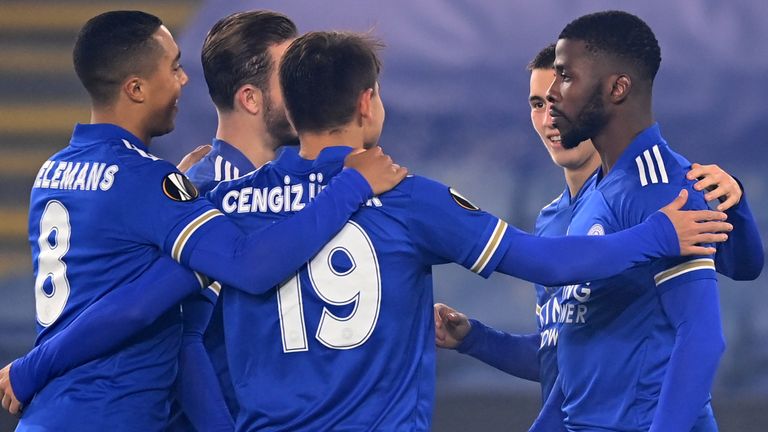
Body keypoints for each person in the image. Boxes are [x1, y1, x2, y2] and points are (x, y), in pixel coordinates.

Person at [203, 30, 730, 430]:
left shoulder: (225, 201)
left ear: (290, 109)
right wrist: (659, 234)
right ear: (367, 102)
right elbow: (546, 263)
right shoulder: (409, 198)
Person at [0, 10, 408, 431]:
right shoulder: (174, 186)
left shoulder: (61, 170)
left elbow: (130, 288)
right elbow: (166, 319)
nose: (183, 79)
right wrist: (352, 187)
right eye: (174, 67)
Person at [434, 42, 763, 425]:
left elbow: (738, 277)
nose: (550, 117)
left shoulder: (652, 187)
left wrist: (732, 203)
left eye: (559, 99)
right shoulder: (550, 220)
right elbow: (566, 358)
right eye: (537, 104)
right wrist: (475, 338)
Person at [533, 10, 763, 431]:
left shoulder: (664, 187)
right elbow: (575, 349)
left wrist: (737, 205)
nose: (552, 95)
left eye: (564, 76)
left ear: (618, 87)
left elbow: (703, 339)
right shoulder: (594, 194)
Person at [170, 10, 301, 430]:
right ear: (250, 98)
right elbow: (182, 342)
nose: (310, 88)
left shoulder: (293, 186)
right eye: (293, 76)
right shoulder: (204, 197)